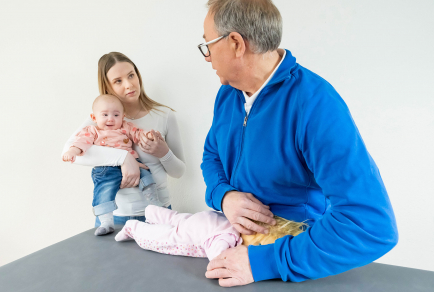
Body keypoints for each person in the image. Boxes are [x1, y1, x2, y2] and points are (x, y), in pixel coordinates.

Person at [199, 0, 398, 287]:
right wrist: (224, 196)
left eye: (208, 45)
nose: (207, 57)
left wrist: (263, 261)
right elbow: (212, 155)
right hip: (231, 242)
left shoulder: (316, 104)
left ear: (236, 43)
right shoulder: (228, 94)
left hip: (285, 259)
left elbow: (369, 225)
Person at [62, 52, 185, 227]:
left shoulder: (164, 116)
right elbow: (69, 151)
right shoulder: (100, 119)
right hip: (115, 220)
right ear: (108, 86)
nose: (129, 85)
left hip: (160, 215)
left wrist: (163, 152)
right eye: (118, 81)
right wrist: (125, 158)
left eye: (131, 75)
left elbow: (179, 172)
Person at [62, 94, 162, 236]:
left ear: (123, 116)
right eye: (105, 115)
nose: (110, 118)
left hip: (134, 164)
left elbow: (138, 134)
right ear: (94, 118)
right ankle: (106, 222)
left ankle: (155, 204)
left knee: (146, 176)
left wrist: (149, 137)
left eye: (116, 115)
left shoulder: (126, 127)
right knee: (104, 189)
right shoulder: (92, 130)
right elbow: (82, 142)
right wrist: (73, 150)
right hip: (106, 168)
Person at [114, 205, 306, 260]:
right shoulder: (229, 239)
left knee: (177, 218)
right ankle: (134, 228)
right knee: (167, 237)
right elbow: (217, 257)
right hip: (193, 233)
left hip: (202, 218)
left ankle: (151, 211)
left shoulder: (238, 219)